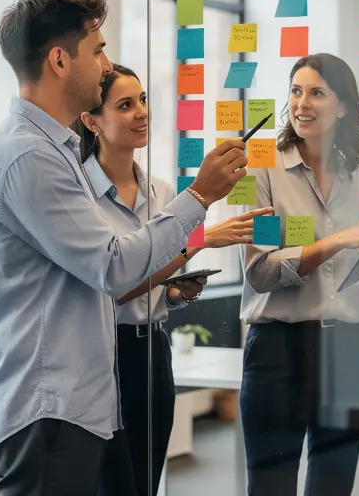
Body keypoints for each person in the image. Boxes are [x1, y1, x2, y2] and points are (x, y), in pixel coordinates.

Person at [0, 0, 246, 496]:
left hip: (69, 404)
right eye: (96, 49)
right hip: (47, 407)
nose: (106, 62)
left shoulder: (54, 151)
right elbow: (113, 267)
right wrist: (201, 196)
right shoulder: (29, 157)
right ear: (59, 60)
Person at [69, 64, 273, 496]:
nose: (141, 112)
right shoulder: (78, 194)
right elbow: (115, 286)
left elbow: (150, 280)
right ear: (92, 120)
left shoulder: (162, 193)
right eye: (125, 105)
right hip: (104, 353)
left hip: (153, 350)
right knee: (114, 483)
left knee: (146, 478)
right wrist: (200, 242)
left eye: (143, 100)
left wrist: (176, 290)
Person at [239, 53, 359, 496]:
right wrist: (336, 243)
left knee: (333, 485)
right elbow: (261, 271)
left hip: (347, 347)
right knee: (271, 486)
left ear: (343, 107)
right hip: (278, 351)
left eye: (317, 93)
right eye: (296, 91)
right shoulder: (261, 167)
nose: (302, 103)